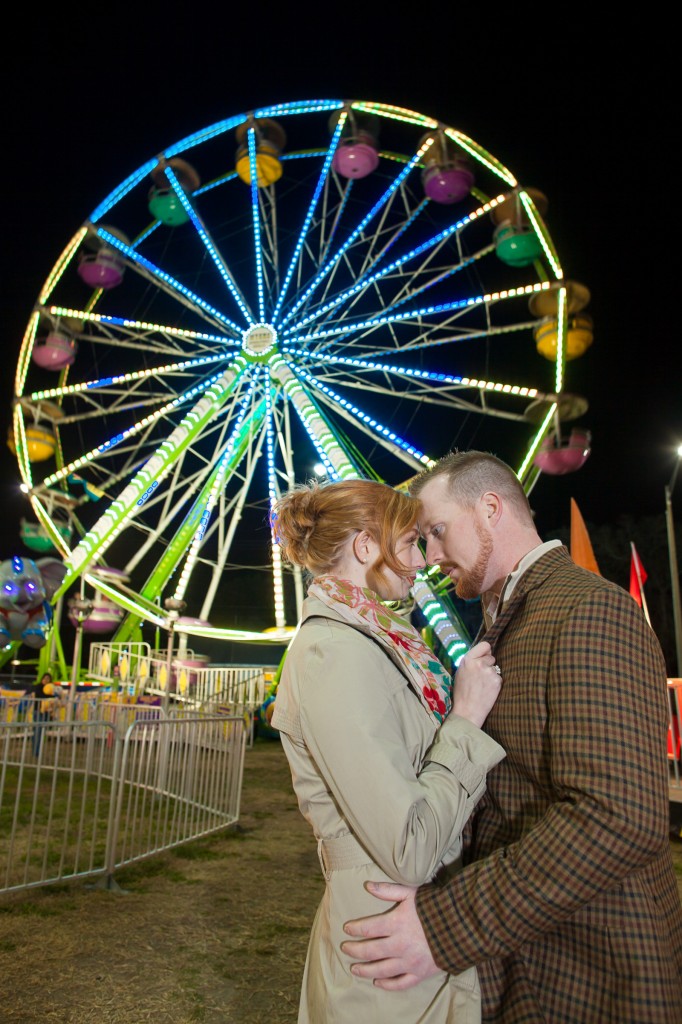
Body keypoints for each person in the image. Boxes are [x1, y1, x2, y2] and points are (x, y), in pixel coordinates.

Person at [341, 450, 682, 1022]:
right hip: (528, 958)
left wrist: (445, 925)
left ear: (491, 508)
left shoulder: (588, 611)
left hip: (595, 971)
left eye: (437, 531)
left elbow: (617, 816)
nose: (429, 557)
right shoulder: (508, 619)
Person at [270, 477, 505, 1023]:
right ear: (364, 546)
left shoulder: (379, 642)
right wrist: (466, 719)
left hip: (412, 919)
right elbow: (410, 844)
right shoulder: (333, 653)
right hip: (382, 937)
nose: (420, 561)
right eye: (408, 543)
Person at [32, 671, 54, 757]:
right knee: (38, 731)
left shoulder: (50, 689)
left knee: (41, 732)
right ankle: (36, 752)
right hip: (38, 711)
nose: (46, 680)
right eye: (45, 678)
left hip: (46, 712)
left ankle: (38, 751)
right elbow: (41, 695)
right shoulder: (38, 687)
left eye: (48, 679)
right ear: (42, 679)